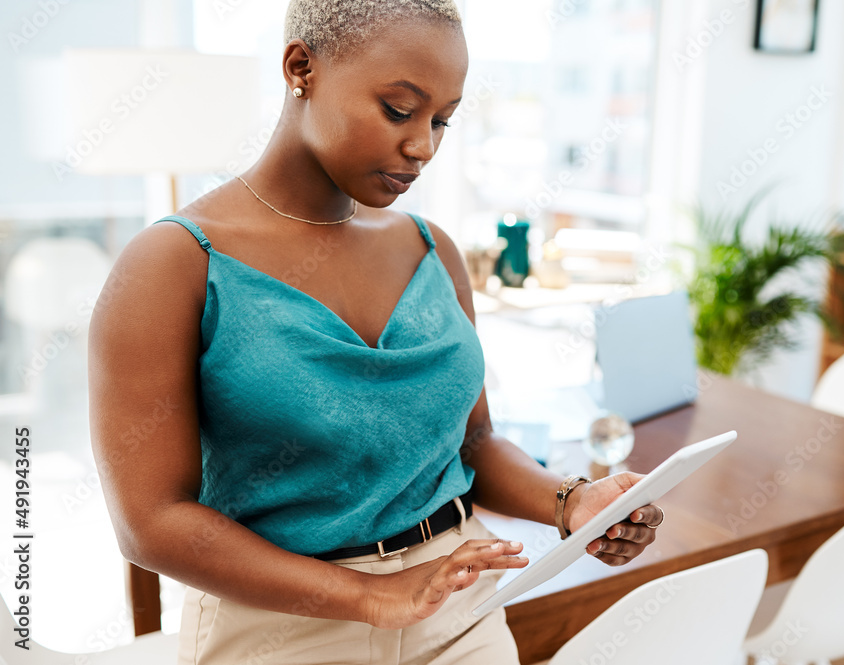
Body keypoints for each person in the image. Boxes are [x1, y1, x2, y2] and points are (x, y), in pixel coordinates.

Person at [87, 1, 664, 663]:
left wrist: (572, 500)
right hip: (282, 627)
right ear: (301, 67)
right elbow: (150, 521)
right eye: (398, 109)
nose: (422, 146)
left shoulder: (431, 249)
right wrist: (368, 593)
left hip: (459, 608)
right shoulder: (175, 264)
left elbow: (472, 444)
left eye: (442, 119)